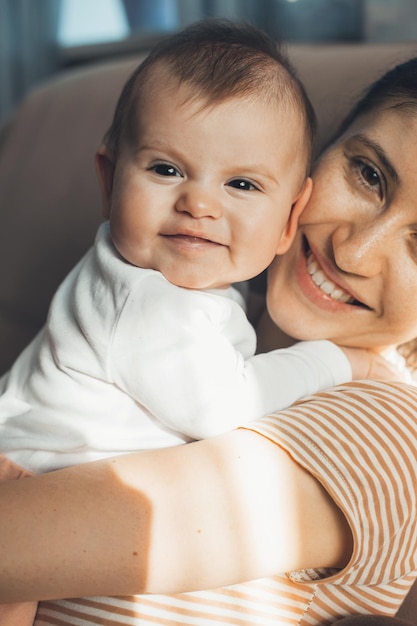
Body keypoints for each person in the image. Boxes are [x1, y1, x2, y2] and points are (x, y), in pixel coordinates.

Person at [2, 43, 417, 626]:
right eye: (369, 174)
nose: (354, 251)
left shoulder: (389, 430)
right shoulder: (186, 295)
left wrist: (337, 360)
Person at [0, 19, 387, 479]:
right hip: (36, 484)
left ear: (289, 218)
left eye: (241, 184)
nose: (199, 204)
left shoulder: (159, 278)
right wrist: (340, 360)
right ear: (109, 181)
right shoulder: (147, 301)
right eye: (166, 170)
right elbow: (227, 407)